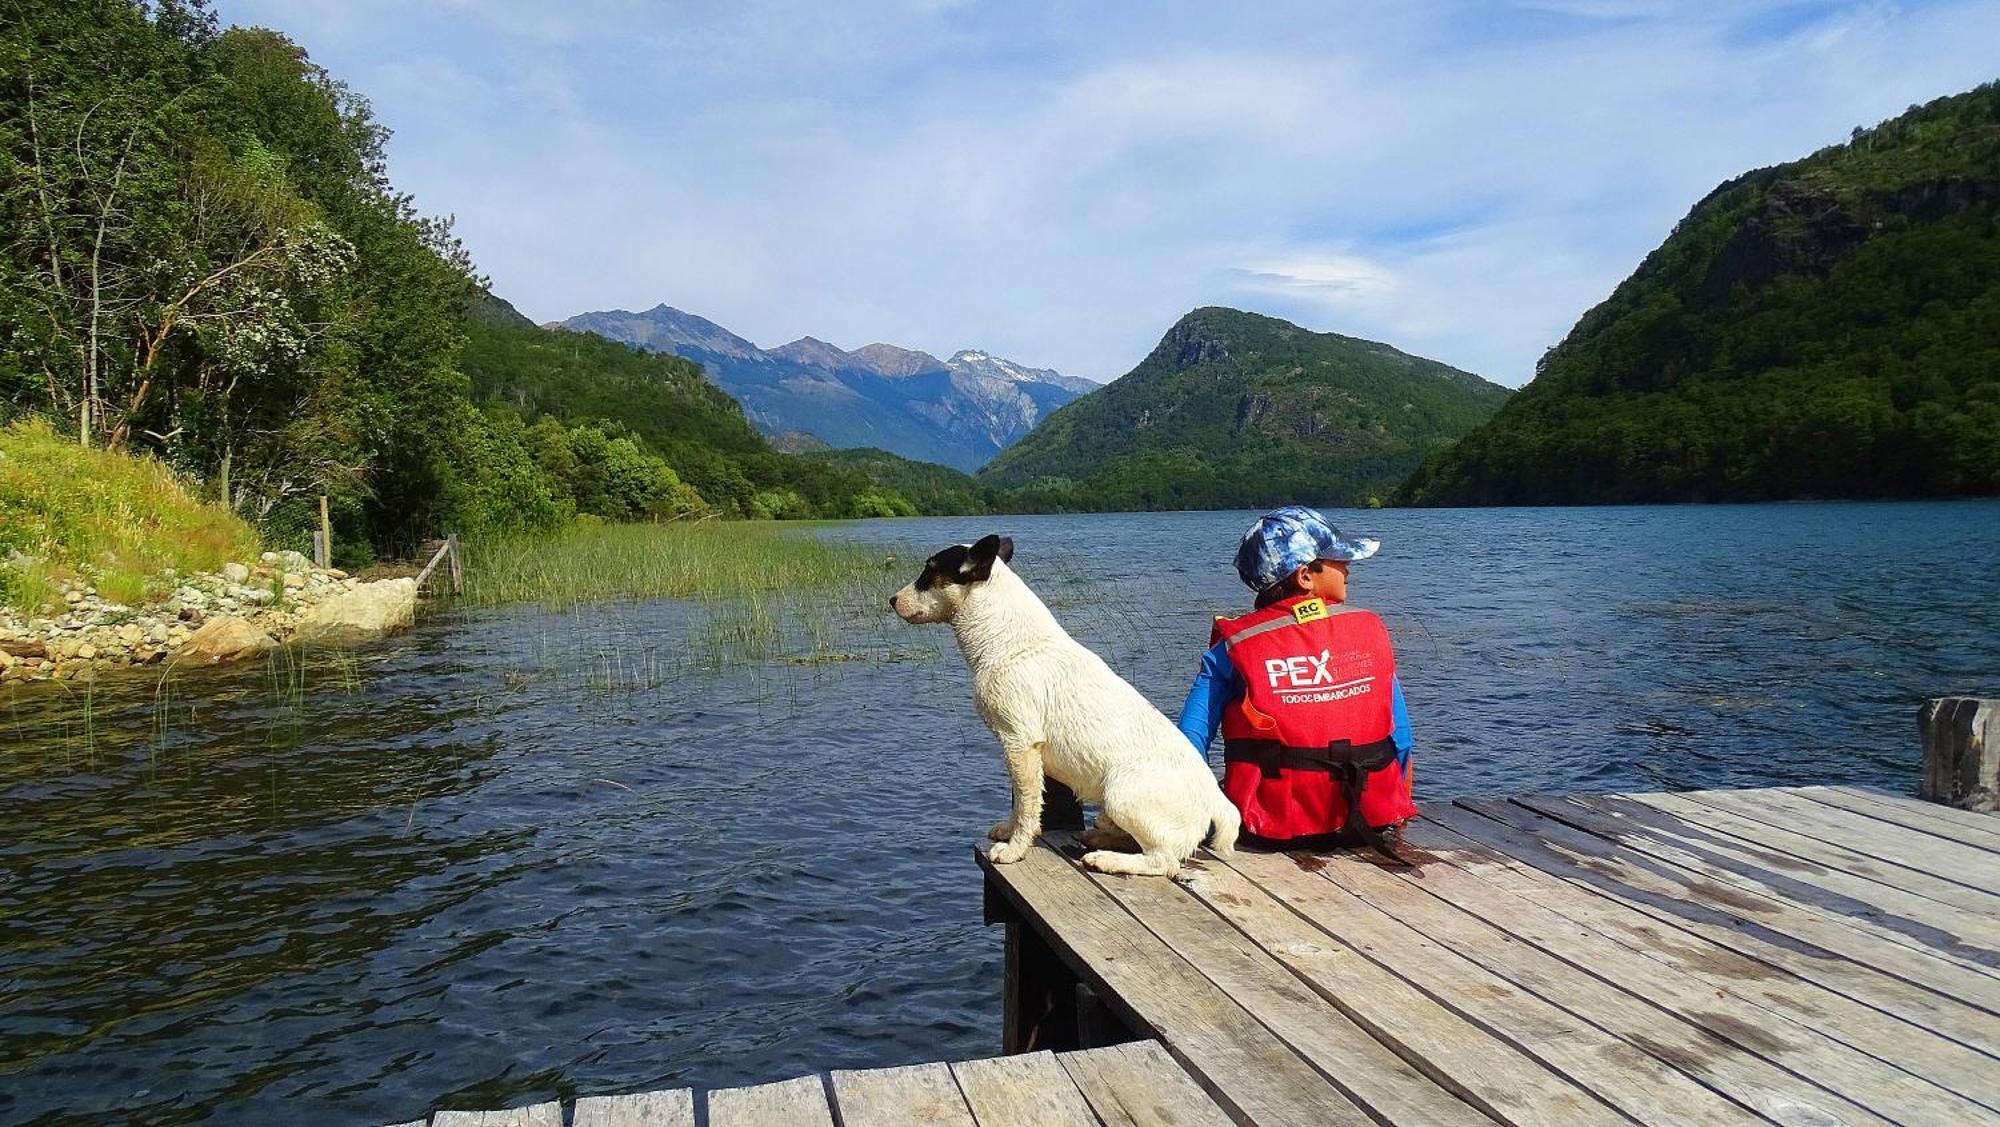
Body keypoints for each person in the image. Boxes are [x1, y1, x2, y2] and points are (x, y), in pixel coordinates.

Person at [1176, 506, 1415, 857]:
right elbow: (1403, 738)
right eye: (1338, 558)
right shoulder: (1369, 629)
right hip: (1370, 823)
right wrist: (1396, 809)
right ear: (1305, 575)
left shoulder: (1232, 648)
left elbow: (1189, 743)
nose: (1348, 568)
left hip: (1269, 829)